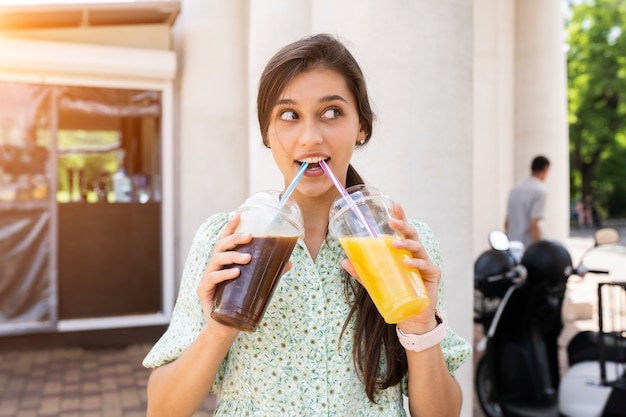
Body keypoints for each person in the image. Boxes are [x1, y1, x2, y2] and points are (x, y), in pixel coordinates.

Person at [143, 33, 472, 417]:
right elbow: (162, 409)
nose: (310, 137)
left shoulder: (401, 242)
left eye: (332, 112)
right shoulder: (228, 239)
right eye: (289, 115)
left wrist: (419, 326)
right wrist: (218, 328)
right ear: (267, 133)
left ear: (361, 127)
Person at [504, 155, 550, 247]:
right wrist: (538, 249)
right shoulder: (540, 191)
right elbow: (534, 224)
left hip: (512, 245)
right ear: (546, 169)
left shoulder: (515, 189)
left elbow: (507, 222)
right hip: (528, 247)